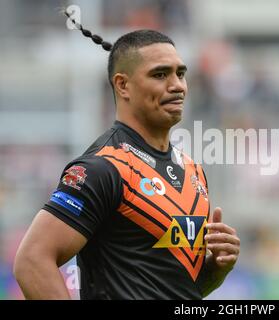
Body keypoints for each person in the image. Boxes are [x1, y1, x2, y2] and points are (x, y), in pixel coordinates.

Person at [13, 20, 240, 299]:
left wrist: (217, 270)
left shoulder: (193, 170)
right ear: (123, 85)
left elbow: (176, 289)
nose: (177, 85)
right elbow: (32, 261)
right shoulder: (103, 168)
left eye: (181, 74)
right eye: (160, 75)